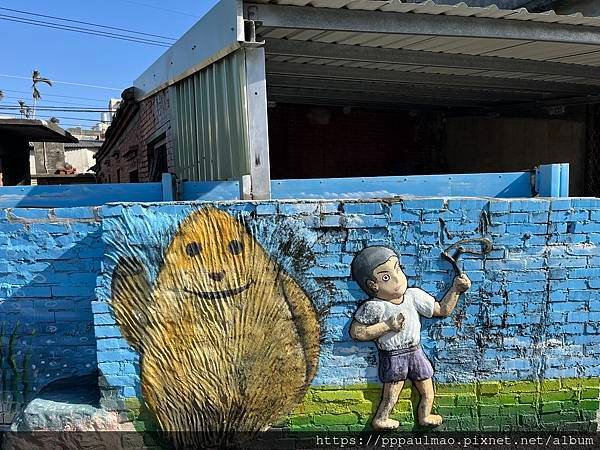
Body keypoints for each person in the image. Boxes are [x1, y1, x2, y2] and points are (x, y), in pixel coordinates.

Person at [349, 246, 471, 430]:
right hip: (393, 355)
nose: (397, 279)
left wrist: (456, 289)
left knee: (427, 388)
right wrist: (387, 326)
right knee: (392, 392)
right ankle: (381, 418)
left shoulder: (413, 296)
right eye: (386, 277)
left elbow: (441, 310)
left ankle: (425, 415)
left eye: (397, 268)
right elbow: (357, 332)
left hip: (416, 351)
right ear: (372, 285)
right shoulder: (375, 307)